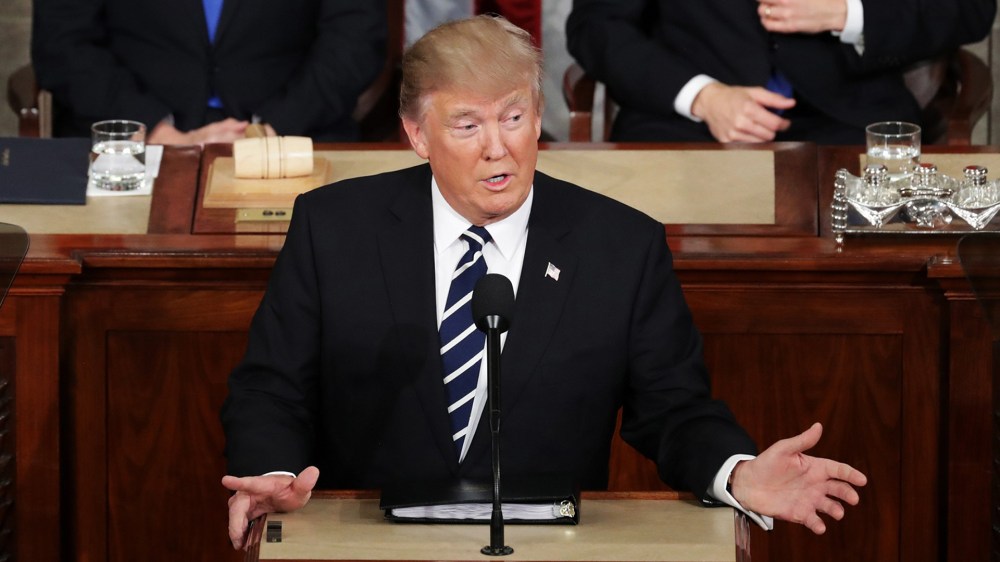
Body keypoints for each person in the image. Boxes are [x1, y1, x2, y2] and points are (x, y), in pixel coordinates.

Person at [220, 14, 867, 551]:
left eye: (513, 117)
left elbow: (675, 410)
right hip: (370, 540)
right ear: (417, 134)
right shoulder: (334, 228)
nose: (497, 148)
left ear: (537, 118)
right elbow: (271, 386)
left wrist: (737, 472)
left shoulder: (620, 246)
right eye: (467, 125)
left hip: (549, 543)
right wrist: (271, 473)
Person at [566, 0, 996, 144]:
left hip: (851, 122)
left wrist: (847, 13)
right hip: (683, 125)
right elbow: (596, 27)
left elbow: (969, 9)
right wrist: (701, 96)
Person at [31, 0, 386, 143]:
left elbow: (356, 40)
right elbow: (62, 44)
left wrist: (269, 131)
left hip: (295, 134)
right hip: (130, 139)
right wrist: (156, 132)